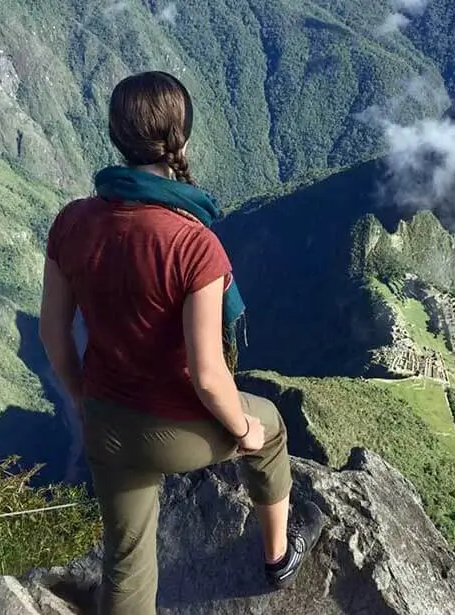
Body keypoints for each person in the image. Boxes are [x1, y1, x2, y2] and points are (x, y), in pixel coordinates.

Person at [38, 70, 324, 615]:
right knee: (272, 426)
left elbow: (53, 334)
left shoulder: (72, 222)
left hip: (108, 420)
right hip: (180, 431)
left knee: (126, 561)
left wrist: (81, 400)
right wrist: (244, 431)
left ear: (117, 137)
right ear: (182, 140)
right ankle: (279, 557)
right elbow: (211, 376)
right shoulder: (194, 245)